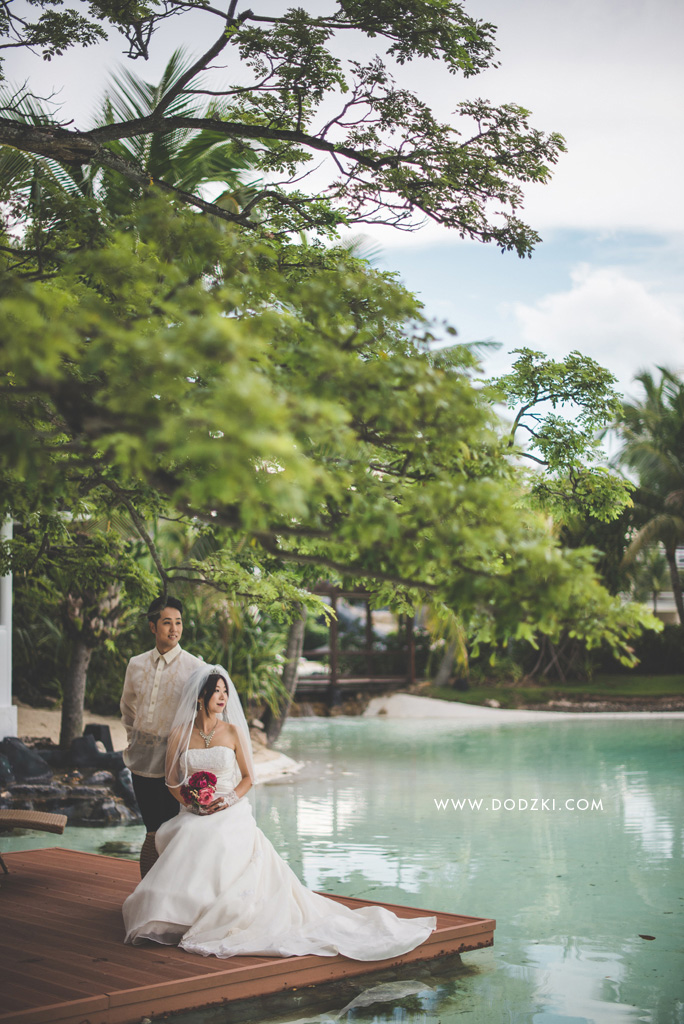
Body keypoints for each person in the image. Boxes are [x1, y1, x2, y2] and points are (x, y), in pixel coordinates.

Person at [122, 664, 436, 961]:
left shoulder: (232, 732)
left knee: (215, 837)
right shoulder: (180, 734)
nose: (222, 697)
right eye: (216, 691)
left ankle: (219, 915)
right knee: (189, 831)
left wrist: (227, 799)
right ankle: (175, 917)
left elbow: (249, 778)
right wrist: (192, 802)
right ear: (200, 696)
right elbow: (172, 781)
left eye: (225, 692)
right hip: (193, 810)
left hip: (229, 809)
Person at [120, 596, 204, 877]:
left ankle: (172, 891)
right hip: (141, 758)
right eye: (167, 622)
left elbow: (200, 715)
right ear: (152, 626)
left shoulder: (195, 667)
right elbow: (127, 707)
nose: (174, 629)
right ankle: (149, 893)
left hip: (175, 762)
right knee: (151, 830)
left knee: (172, 830)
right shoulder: (136, 664)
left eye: (178, 622)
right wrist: (134, 736)